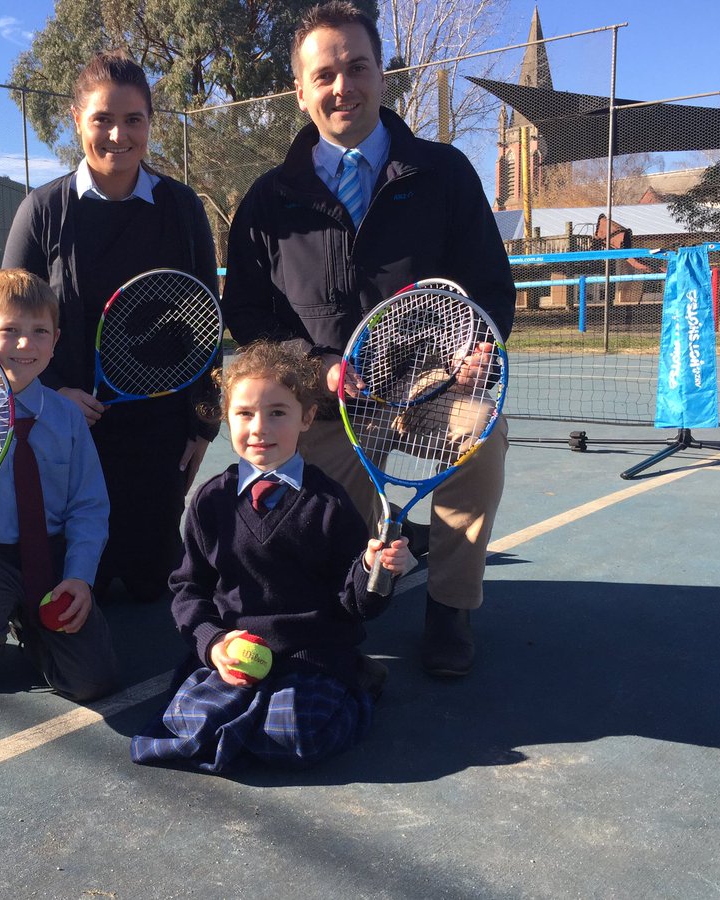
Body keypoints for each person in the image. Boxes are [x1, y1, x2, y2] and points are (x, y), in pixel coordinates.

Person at [220, 1, 515, 677]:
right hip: (324, 405)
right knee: (330, 585)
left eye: (356, 67)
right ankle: (354, 579)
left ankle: (450, 608)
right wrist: (313, 369)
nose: (341, 86)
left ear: (384, 76)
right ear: (300, 91)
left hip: (428, 393)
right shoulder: (267, 200)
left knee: (484, 433)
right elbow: (249, 313)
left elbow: (490, 289)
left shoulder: (443, 174)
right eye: (323, 74)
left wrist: (478, 352)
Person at [130, 342, 414, 773]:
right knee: (185, 724)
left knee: (294, 734)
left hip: (311, 652)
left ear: (306, 417)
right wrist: (214, 643)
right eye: (245, 413)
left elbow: (356, 604)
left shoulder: (330, 503)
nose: (260, 427)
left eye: (277, 412)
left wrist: (375, 571)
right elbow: (188, 590)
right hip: (237, 648)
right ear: (226, 418)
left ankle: (356, 683)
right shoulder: (210, 501)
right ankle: (255, 713)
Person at [2, 51, 220, 605]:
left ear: (150, 123)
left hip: (158, 428)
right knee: (72, 586)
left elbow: (205, 325)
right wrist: (52, 397)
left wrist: (200, 423)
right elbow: (8, 327)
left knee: (152, 584)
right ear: (77, 119)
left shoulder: (181, 207)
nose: (118, 135)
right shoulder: (42, 210)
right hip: (69, 430)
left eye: (133, 120)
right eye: (102, 119)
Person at [0, 269, 120, 701]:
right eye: (9, 330)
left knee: (92, 682)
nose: (25, 344)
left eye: (39, 332)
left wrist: (80, 577)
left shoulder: (68, 418)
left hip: (54, 555)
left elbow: (89, 507)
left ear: (55, 340)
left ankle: (32, 626)